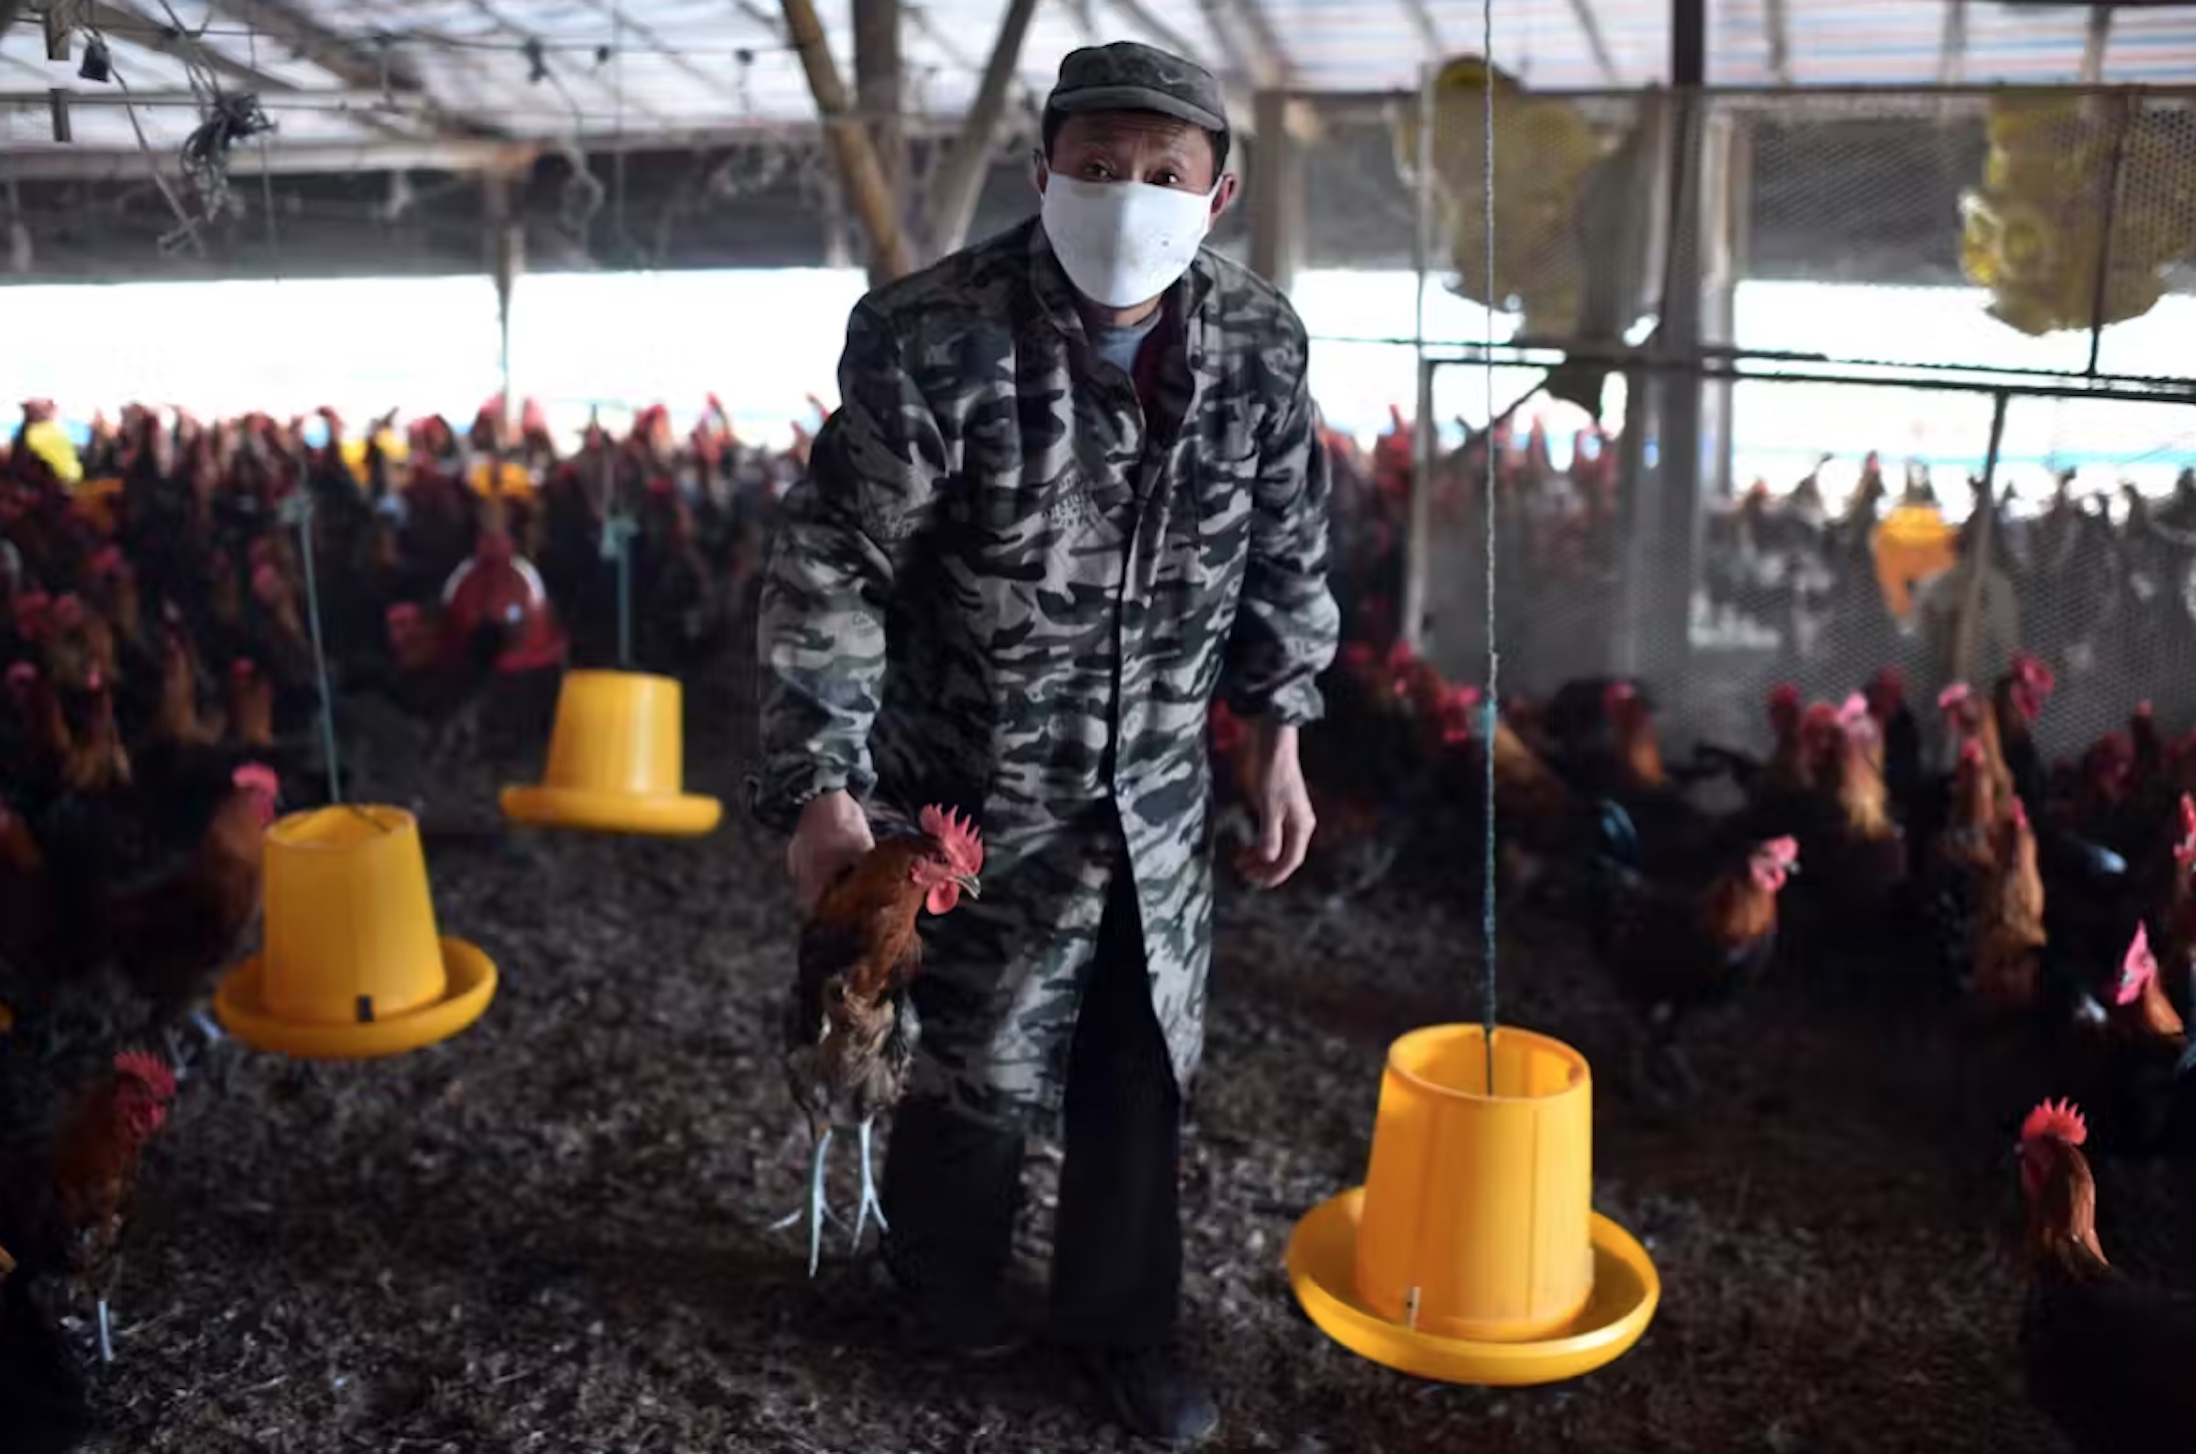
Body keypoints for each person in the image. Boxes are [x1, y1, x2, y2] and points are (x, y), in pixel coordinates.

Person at [752, 39, 1338, 1446]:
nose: (1125, 193)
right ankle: (941, 1289)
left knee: (1139, 1056)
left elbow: (1287, 545)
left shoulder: (1259, 341)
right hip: (974, 778)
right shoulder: (929, 334)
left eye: (1160, 173)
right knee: (969, 1051)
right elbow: (835, 560)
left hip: (1152, 791)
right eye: (1094, 165)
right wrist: (820, 782)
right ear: (1042, 170)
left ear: (1219, 190)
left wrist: (1281, 724)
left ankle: (1120, 1329)